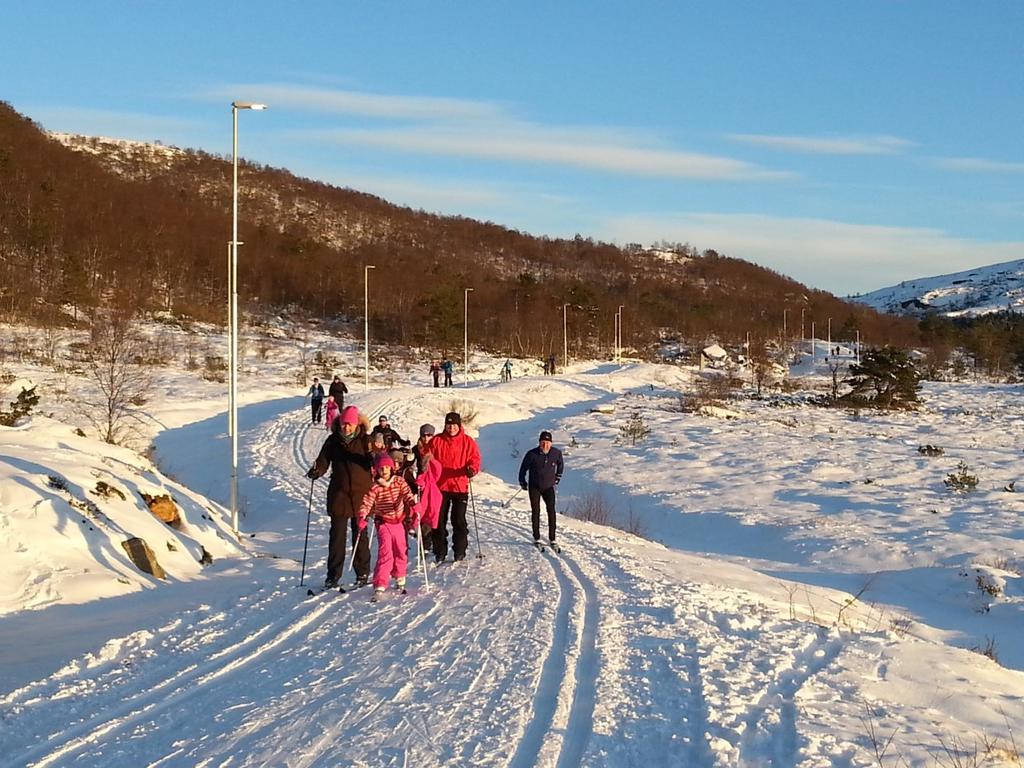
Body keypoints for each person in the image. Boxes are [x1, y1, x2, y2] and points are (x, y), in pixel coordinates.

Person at [305, 405, 373, 589]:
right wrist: (316, 470)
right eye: (344, 424)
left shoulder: (366, 440)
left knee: (360, 535)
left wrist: (375, 459)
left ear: (357, 424)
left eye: (350, 424)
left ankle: (363, 572)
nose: (346, 428)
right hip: (339, 495)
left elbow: (375, 459)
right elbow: (323, 461)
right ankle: (333, 575)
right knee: (337, 537)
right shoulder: (332, 441)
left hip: (361, 495)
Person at [357, 454, 417, 601]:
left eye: (387, 467)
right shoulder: (375, 486)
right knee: (386, 552)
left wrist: (414, 504)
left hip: (399, 522)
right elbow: (367, 502)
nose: (384, 471)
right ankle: (380, 582)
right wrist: (362, 515)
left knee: (401, 550)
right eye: (381, 468)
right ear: (376, 470)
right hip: (384, 522)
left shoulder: (399, 481)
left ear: (391, 468)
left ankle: (400, 576)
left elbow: (408, 494)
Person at [427, 411, 481, 563]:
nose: (451, 428)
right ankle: (440, 550)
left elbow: (475, 459)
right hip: (440, 486)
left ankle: (459, 550)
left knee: (458, 520)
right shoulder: (436, 441)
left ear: (459, 426)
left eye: (453, 425)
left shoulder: (468, 442)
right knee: (438, 520)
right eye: (448, 425)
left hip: (459, 486)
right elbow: (427, 457)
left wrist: (472, 469)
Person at [518, 430, 564, 549]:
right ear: (539, 443)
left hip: (549, 487)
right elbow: (523, 469)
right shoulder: (531, 454)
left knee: (551, 511)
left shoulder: (556, 453)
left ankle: (552, 538)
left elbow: (561, 465)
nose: (545, 445)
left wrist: (558, 477)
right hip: (535, 486)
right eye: (543, 442)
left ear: (551, 443)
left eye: (547, 443)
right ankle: (536, 537)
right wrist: (522, 481)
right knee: (536, 511)